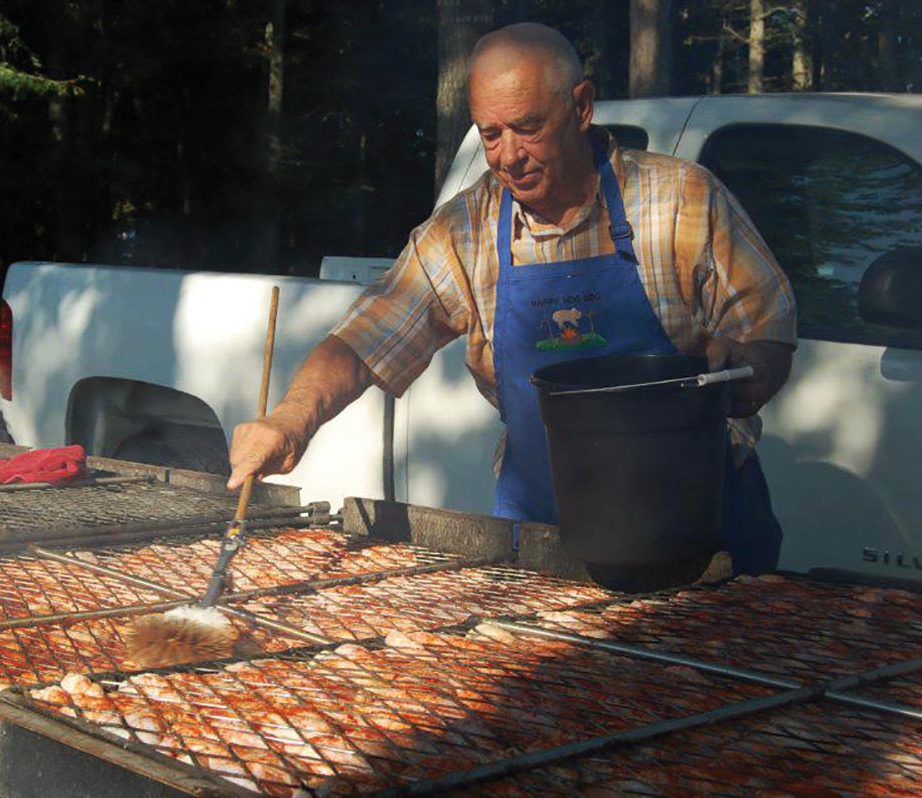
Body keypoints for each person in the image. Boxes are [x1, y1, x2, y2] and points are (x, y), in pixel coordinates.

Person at [227, 23, 796, 574]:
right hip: (545, 536)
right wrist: (290, 419)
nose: (507, 156)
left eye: (527, 127)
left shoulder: (682, 201)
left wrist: (748, 368)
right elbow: (363, 339)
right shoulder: (465, 232)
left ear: (581, 107)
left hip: (696, 527)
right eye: (490, 134)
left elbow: (766, 338)